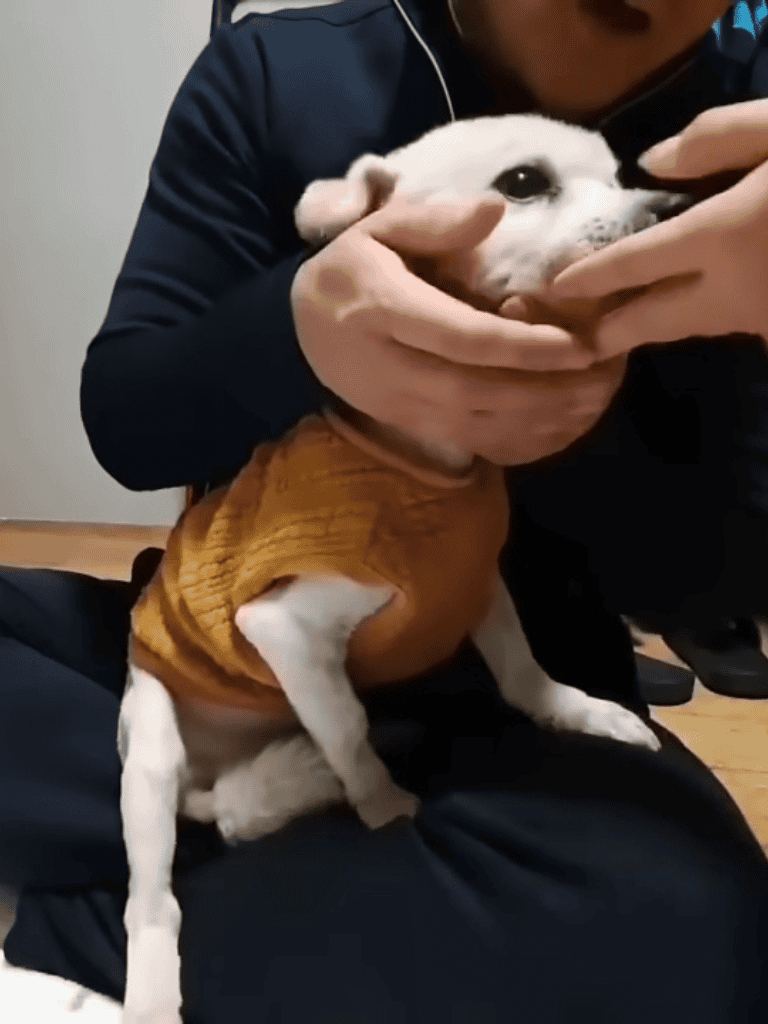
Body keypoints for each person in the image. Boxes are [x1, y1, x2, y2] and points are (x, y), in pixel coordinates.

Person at [1, 0, 768, 1020]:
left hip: (502, 718)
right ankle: (246, 874)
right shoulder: (278, 71)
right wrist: (296, 329)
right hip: (222, 651)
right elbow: (127, 418)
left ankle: (115, 902)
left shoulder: (745, 132)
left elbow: (714, 583)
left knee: (693, 922)